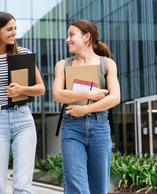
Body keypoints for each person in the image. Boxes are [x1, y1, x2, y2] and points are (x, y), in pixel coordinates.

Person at [0, 12, 45, 194]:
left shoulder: (24, 54)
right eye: (9, 29)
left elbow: (40, 88)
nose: (14, 33)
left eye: (15, 29)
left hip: (23, 119)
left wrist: (22, 90)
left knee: (22, 185)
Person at [52, 20, 120, 194]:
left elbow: (115, 97)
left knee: (99, 188)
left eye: (71, 35)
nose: (67, 39)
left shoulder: (107, 64)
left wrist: (86, 109)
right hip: (72, 127)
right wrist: (89, 94)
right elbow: (57, 94)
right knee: (77, 186)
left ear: (87, 37)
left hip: (99, 127)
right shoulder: (63, 65)